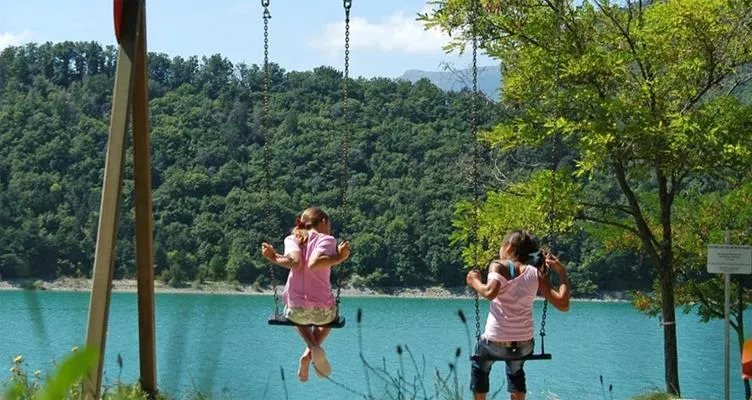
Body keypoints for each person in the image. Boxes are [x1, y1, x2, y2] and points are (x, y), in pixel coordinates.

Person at [466, 230, 570, 400]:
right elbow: (563, 305)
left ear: (508, 247)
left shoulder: (498, 265)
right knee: (516, 370)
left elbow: (490, 292)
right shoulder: (537, 272)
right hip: (524, 345)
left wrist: (474, 281)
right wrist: (562, 272)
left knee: (480, 366)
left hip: (494, 343)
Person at [261, 207, 350, 382]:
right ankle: (310, 353)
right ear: (324, 222)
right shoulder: (327, 239)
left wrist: (273, 257)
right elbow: (314, 263)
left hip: (296, 312)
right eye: (329, 224)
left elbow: (294, 262)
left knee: (294, 313)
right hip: (323, 312)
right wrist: (341, 257)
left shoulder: (292, 239)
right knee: (331, 319)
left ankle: (312, 348)